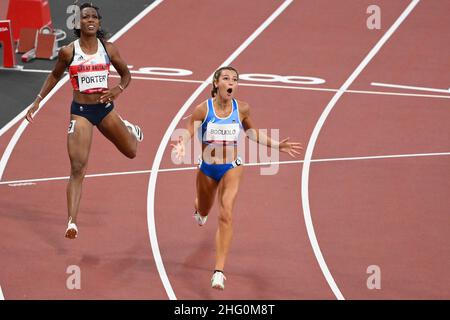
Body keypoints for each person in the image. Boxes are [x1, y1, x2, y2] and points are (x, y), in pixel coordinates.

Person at [171, 66, 302, 290]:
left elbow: (252, 133)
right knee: (204, 209)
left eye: (235, 79)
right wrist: (182, 145)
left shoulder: (241, 109)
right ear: (216, 83)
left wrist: (277, 145)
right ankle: (199, 209)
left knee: (226, 212)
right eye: (226, 78)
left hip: (232, 166)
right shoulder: (203, 110)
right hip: (207, 168)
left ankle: (219, 271)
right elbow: (187, 131)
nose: (231, 82)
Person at [25, 3, 143, 239]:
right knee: (78, 168)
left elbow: (126, 74)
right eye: (85, 17)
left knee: (131, 152)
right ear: (78, 24)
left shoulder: (108, 49)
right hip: (80, 113)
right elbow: (55, 75)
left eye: (94, 17)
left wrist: (118, 89)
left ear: (98, 22)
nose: (90, 20)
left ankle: (130, 129)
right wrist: (38, 100)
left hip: (105, 110)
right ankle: (72, 222)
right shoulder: (68, 52)